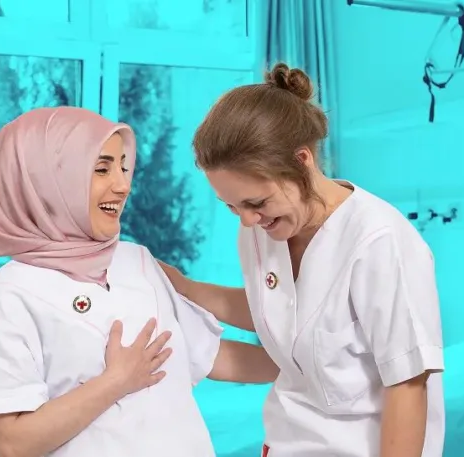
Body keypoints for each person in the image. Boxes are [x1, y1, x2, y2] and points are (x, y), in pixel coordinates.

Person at [157, 63, 446, 457]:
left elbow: (408, 382)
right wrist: (185, 288)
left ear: (302, 160)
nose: (247, 220)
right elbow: (280, 310)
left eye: (257, 202)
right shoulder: (259, 231)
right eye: (232, 206)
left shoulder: (378, 241)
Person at [0, 106, 279, 457]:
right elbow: (12, 442)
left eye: (123, 168)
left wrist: (307, 365)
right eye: (102, 169)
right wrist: (115, 382)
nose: (122, 185)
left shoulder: (136, 261)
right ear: (45, 181)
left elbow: (209, 355)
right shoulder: (7, 295)